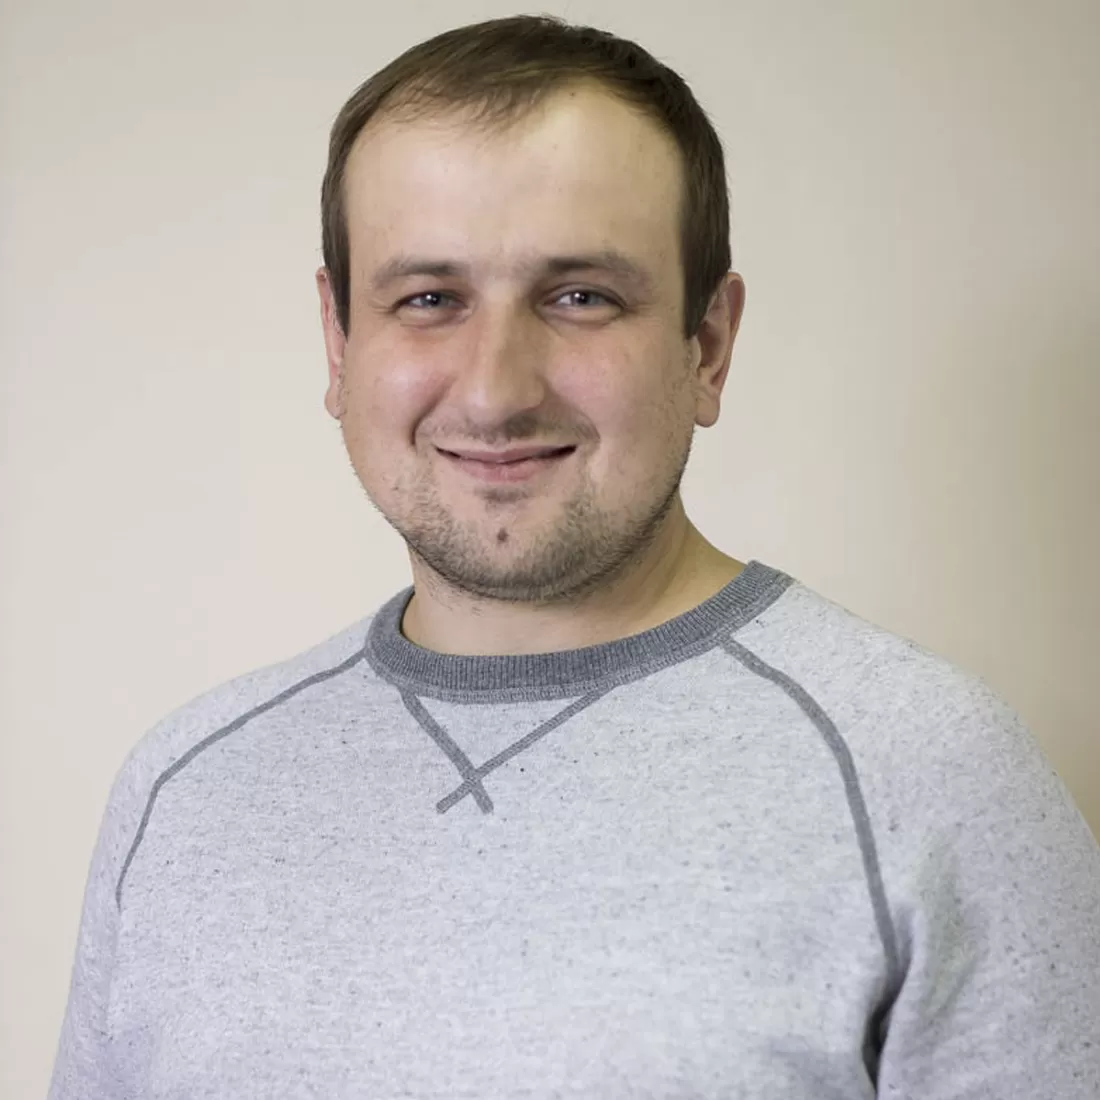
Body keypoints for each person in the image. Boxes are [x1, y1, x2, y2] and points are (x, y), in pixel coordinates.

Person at [49, 15, 1100, 1099]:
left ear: (707, 345)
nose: (495, 388)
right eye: (428, 299)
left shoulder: (927, 774)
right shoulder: (184, 794)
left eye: (580, 297)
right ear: (338, 341)